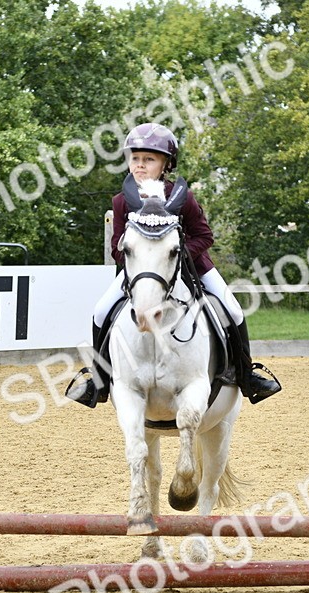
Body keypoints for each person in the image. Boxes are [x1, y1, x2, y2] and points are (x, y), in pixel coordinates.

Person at [65, 122, 282, 408]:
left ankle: (247, 376)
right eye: (135, 158)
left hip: (194, 268)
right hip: (141, 274)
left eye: (149, 159)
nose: (139, 165)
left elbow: (205, 236)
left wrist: (177, 256)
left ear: (166, 164)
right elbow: (117, 245)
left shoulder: (182, 197)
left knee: (233, 310)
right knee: (101, 310)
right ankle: (99, 380)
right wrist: (142, 259)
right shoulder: (121, 201)